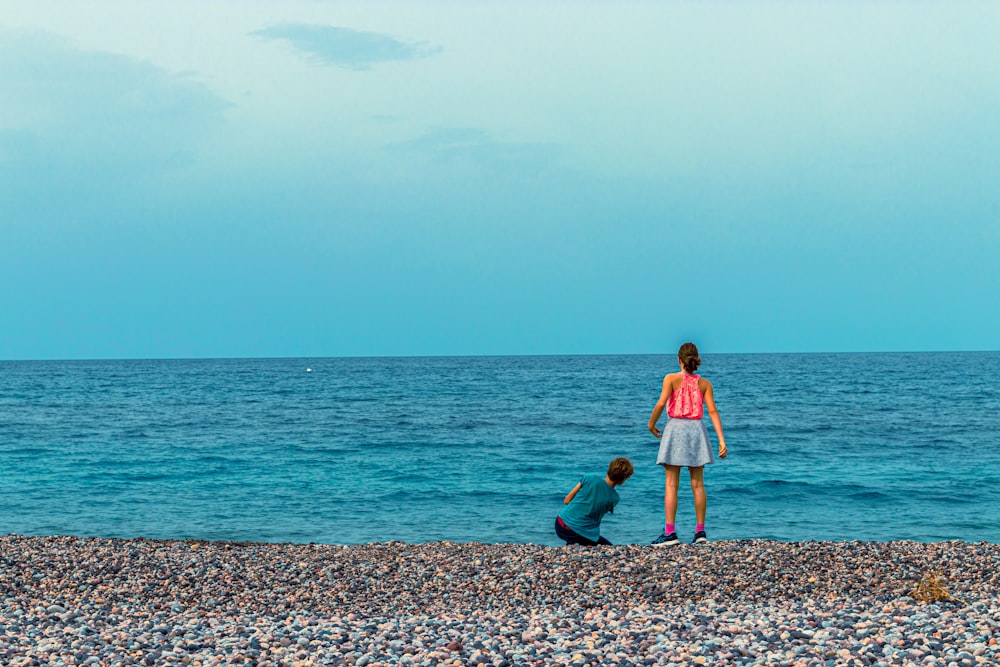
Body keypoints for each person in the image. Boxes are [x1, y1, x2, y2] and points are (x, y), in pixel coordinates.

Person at [647, 342, 728, 546]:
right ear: (696, 360)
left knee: (671, 484)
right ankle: (700, 532)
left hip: (676, 428)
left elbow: (660, 403)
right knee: (698, 484)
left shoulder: (671, 379)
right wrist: (721, 439)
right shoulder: (705, 384)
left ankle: (670, 532)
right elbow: (713, 412)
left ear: (679, 360)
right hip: (697, 430)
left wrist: (651, 425)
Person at [555, 457, 634, 546]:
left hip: (560, 523)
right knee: (609, 548)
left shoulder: (589, 478)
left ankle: (572, 544)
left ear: (609, 469)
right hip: (578, 533)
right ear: (623, 479)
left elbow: (566, 500)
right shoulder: (614, 498)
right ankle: (575, 543)